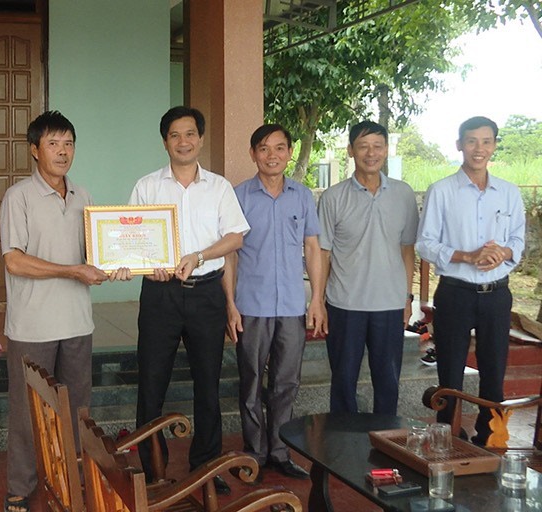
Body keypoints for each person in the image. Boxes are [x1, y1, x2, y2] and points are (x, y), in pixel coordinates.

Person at [0, 110, 129, 512]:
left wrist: (120, 263)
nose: (62, 151)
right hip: (32, 325)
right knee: (27, 413)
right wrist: (72, 270)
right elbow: (14, 261)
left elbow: (95, 255)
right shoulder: (18, 197)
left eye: (69, 143)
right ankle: (20, 486)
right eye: (53, 143)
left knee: (77, 409)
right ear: (34, 150)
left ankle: (73, 478)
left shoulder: (83, 196)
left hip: (76, 322)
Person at [129, 106, 250, 495]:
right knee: (150, 383)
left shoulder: (218, 187)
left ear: (200, 139)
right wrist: (151, 266)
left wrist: (199, 255)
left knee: (208, 385)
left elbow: (236, 237)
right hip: (160, 296)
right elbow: (132, 239)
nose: (184, 141)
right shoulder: (147, 186)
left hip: (207, 295)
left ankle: (207, 464)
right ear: (165, 141)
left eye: (190, 134)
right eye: (175, 135)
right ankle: (151, 469)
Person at [222, 124, 326, 480]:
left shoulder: (302, 195)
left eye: (280, 148)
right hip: (251, 304)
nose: (272, 156)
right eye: (264, 149)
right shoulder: (238, 196)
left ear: (289, 153)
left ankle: (280, 451)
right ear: (253, 154)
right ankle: (255, 452)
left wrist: (317, 300)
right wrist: (230, 304)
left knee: (286, 383)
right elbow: (230, 255)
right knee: (250, 381)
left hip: (293, 306)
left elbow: (312, 248)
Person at [416, 116, 525, 445]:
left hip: (496, 295)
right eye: (472, 141)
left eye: (487, 141)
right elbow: (425, 243)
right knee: (450, 370)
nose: (479, 148)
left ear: (494, 145)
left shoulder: (508, 192)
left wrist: (503, 252)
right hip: (455, 293)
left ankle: (490, 437)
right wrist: (468, 255)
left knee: (494, 370)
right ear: (459, 145)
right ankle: (446, 435)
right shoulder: (442, 191)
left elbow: (519, 240)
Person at [318, 120, 418, 415]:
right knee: (343, 381)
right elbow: (322, 253)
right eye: (363, 146)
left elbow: (407, 250)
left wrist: (406, 299)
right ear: (351, 150)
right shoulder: (333, 197)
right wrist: (319, 303)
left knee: (388, 383)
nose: (370, 153)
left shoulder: (403, 194)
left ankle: (386, 446)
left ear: (386, 150)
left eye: (377, 146)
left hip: (389, 304)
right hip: (344, 304)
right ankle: (342, 448)